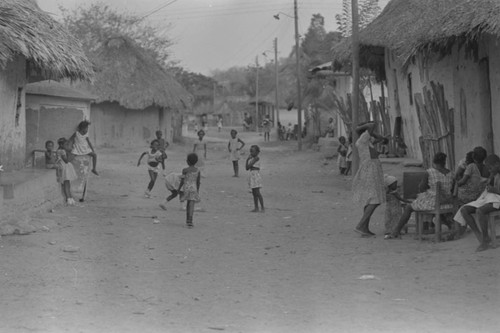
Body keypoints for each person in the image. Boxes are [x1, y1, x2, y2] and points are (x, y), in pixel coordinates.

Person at [386, 152, 454, 239]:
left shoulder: (429, 172)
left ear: (434, 162)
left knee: (409, 207)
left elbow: (422, 188)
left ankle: (396, 231)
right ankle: (446, 226)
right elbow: (452, 190)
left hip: (434, 203)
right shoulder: (451, 173)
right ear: (444, 162)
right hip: (447, 203)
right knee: (424, 202)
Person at [454, 154, 500, 252]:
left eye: (491, 168)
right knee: (464, 209)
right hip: (493, 198)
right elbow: (491, 184)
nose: (489, 170)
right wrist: (490, 182)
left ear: (497, 164)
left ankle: (485, 239)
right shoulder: (496, 173)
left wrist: (495, 190)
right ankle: (480, 236)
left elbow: (497, 190)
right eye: (488, 169)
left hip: (498, 200)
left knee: (480, 211)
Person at [352, 121, 387, 236]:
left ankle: (364, 228)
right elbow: (372, 125)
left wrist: (370, 132)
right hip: (370, 171)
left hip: (372, 170)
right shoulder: (362, 139)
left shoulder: (366, 141)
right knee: (375, 200)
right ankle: (360, 225)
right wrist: (360, 127)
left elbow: (381, 138)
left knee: (371, 199)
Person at [383, 174, 411, 238]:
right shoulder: (394, 193)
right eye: (395, 184)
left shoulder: (386, 192)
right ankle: (398, 230)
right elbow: (400, 199)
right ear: (390, 185)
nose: (396, 185)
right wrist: (409, 201)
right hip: (395, 208)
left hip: (388, 208)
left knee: (389, 219)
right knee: (397, 218)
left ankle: (389, 230)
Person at [178, 153, 201, 228]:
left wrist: (179, 188)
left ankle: (188, 219)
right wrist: (197, 190)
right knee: (191, 204)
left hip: (186, 188)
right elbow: (198, 182)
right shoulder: (198, 170)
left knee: (188, 203)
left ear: (187, 161)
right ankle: (190, 220)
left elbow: (182, 180)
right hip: (193, 188)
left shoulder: (185, 170)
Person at [55, 138, 78, 205]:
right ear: (62, 145)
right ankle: (68, 198)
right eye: (66, 144)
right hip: (64, 167)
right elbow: (66, 160)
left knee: (67, 183)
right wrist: (73, 155)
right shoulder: (62, 151)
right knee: (66, 184)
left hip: (64, 167)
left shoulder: (60, 150)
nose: (67, 146)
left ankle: (70, 197)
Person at [246, 145, 264, 212]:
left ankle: (262, 207)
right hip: (252, 176)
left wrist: (248, 160)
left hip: (255, 176)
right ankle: (256, 207)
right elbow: (247, 168)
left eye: (252, 151)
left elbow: (248, 166)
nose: (251, 153)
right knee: (254, 193)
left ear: (257, 152)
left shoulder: (256, 158)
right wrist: (247, 159)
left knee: (257, 193)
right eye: (250, 151)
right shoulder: (252, 159)